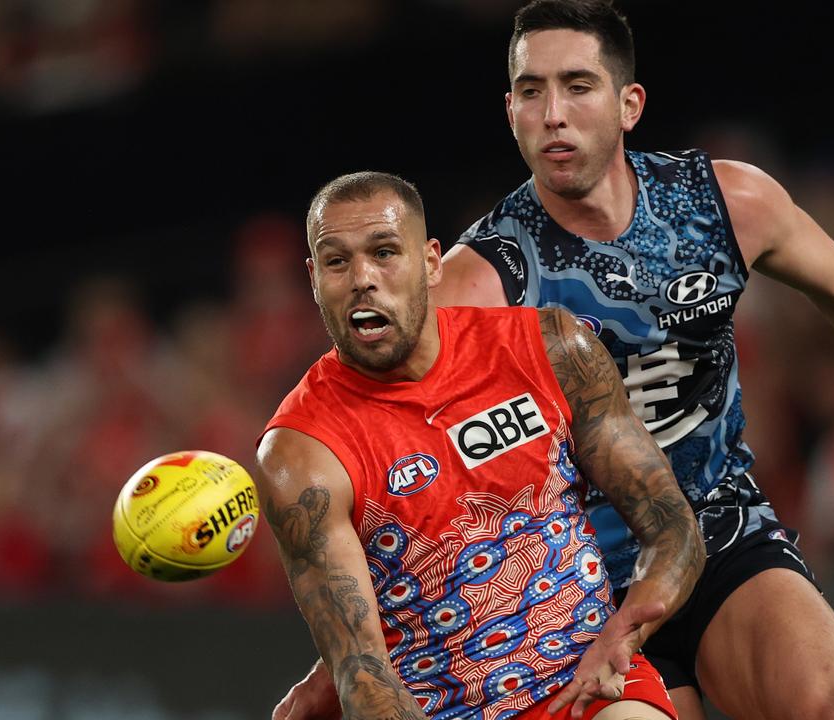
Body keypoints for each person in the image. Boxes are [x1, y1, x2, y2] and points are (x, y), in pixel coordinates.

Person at [274, 3, 834, 720]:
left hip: (715, 529)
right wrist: (350, 651)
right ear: (510, 113)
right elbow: (397, 455)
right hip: (573, 590)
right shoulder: (476, 279)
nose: (554, 114)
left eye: (578, 87)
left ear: (629, 103)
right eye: (532, 92)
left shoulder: (723, 201)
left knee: (833, 704)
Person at [257, 171, 704, 720]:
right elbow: (361, 669)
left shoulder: (550, 348)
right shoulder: (301, 452)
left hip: (589, 683)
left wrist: (624, 634)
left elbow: (672, 527)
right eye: (336, 262)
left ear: (431, 262)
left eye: (384, 252)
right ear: (314, 278)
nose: (362, 280)